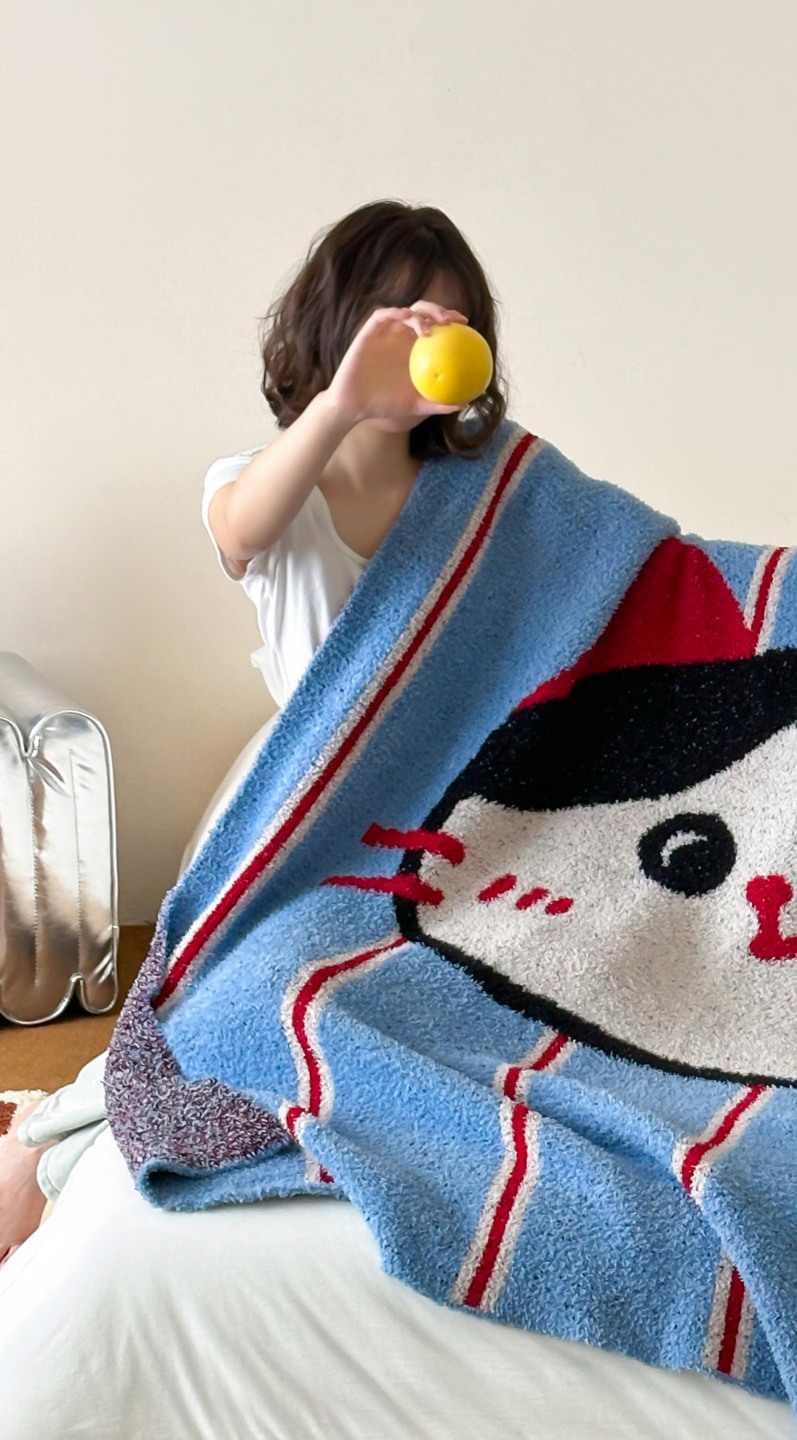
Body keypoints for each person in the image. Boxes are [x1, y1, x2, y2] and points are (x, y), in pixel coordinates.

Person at [0, 199, 509, 1266]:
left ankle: (47, 1139)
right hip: (306, 813)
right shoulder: (263, 482)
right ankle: (44, 1148)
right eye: (400, 316)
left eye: (449, 320)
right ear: (340, 325)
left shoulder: (481, 495)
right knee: (219, 1020)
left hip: (446, 815)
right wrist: (342, 402)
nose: (425, 339)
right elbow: (242, 532)